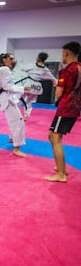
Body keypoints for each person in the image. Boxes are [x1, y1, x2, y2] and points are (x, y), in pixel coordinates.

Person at [45, 41, 81, 182]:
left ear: (66, 53)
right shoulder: (79, 67)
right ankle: (61, 167)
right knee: (53, 136)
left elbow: (59, 94)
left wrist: (57, 85)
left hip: (65, 108)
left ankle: (61, 173)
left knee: (54, 137)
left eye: (63, 53)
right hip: (75, 108)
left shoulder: (66, 71)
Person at [0, 53, 31, 157]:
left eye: (13, 59)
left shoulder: (1, 69)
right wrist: (22, 89)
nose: (12, 60)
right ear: (4, 59)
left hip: (6, 98)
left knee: (15, 120)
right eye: (10, 58)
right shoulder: (4, 69)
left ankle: (12, 138)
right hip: (7, 99)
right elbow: (6, 86)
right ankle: (16, 148)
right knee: (18, 122)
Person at [15, 52, 58, 121]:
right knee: (29, 101)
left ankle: (15, 113)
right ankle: (26, 116)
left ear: (38, 58)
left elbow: (22, 68)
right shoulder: (45, 69)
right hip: (36, 86)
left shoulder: (32, 65)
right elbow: (52, 78)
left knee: (20, 98)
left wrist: (20, 64)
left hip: (29, 84)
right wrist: (55, 82)